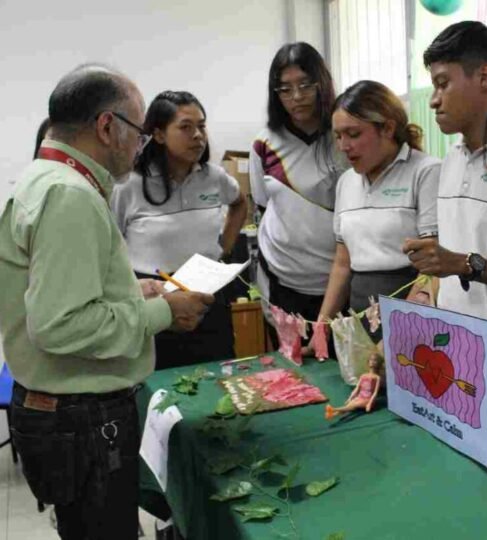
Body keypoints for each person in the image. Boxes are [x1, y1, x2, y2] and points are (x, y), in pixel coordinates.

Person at [0, 65, 213, 540]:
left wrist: (130, 292)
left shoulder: (43, 178)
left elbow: (51, 289)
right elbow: (59, 325)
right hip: (84, 417)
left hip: (65, 413)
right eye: (138, 132)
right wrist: (163, 312)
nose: (141, 145)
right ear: (106, 126)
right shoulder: (68, 195)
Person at [402, 21, 487, 463]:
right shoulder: (449, 163)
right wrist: (426, 287)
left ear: (484, 77)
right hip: (455, 352)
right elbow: (446, 261)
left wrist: (464, 264)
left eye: (443, 83)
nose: (434, 99)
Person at [111, 90, 247, 369]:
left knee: (217, 376)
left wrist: (224, 248)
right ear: (159, 134)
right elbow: (110, 243)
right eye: (185, 127)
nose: (197, 135)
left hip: (208, 294)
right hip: (155, 296)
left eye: (201, 126)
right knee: (159, 385)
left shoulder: (213, 177)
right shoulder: (129, 184)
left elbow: (239, 204)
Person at [316, 80, 440, 340]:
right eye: (338, 136)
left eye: (353, 134)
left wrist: (402, 333)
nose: (343, 146)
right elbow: (342, 263)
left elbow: (432, 266)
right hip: (361, 312)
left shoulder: (426, 171)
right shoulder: (346, 182)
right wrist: (322, 326)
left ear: (388, 128)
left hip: (413, 307)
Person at [250, 42, 345, 345]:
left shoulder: (344, 134)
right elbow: (264, 205)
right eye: (285, 89)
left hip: (338, 279)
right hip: (283, 279)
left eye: (305, 85)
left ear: (322, 84)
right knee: (291, 374)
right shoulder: (264, 144)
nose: (296, 97)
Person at [325, 353, 382, 418]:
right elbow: (357, 389)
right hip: (360, 397)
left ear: (378, 363)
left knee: (354, 405)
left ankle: (333, 409)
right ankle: (333, 414)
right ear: (368, 361)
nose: (372, 362)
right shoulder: (363, 376)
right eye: (371, 360)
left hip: (368, 399)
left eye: (375, 360)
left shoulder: (377, 377)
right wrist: (350, 398)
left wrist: (370, 403)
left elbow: (375, 393)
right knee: (350, 404)